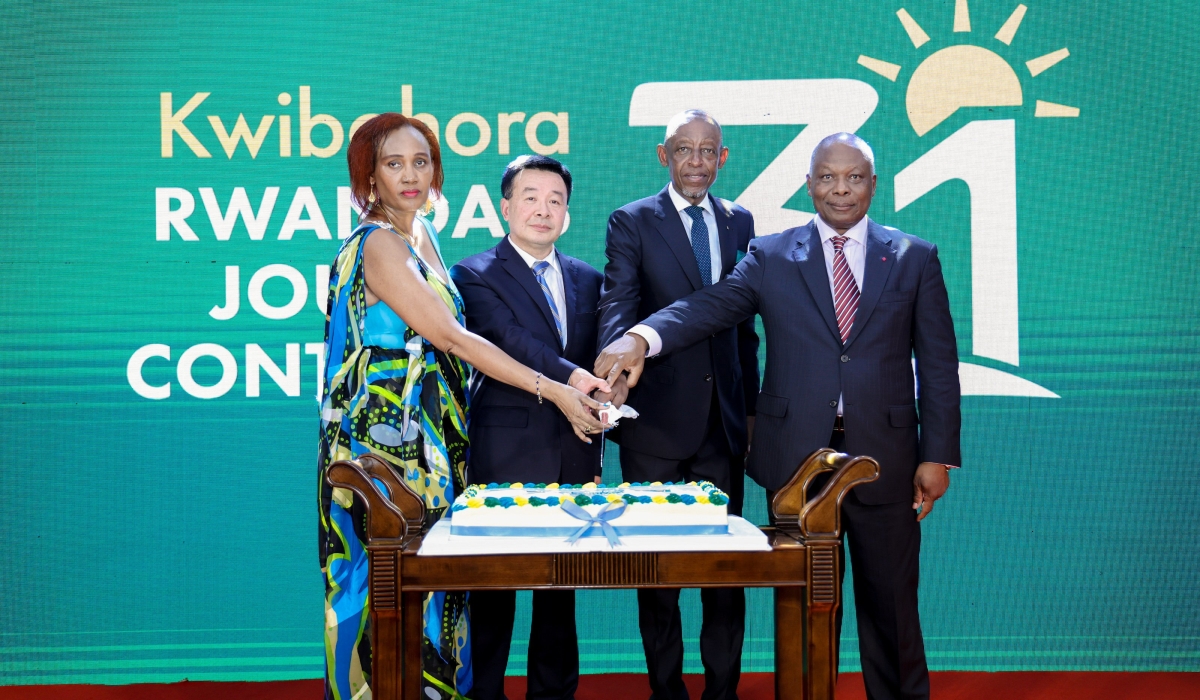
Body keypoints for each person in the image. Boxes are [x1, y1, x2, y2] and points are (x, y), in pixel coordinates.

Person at [596, 132, 962, 700]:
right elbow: (709, 308)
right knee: (806, 607)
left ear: (873, 183)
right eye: (827, 177)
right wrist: (643, 336)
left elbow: (938, 364)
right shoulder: (770, 255)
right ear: (809, 183)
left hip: (886, 458)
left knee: (890, 605)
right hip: (797, 462)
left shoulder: (914, 256)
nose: (841, 190)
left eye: (854, 177)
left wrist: (936, 454)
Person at [318, 114, 608, 700]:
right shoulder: (376, 242)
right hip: (383, 458)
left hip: (432, 447)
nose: (410, 175)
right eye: (393, 163)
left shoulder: (419, 235)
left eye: (421, 162)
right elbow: (452, 338)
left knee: (438, 602)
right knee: (383, 598)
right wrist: (554, 389)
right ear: (369, 175)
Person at [596, 110, 759, 700]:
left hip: (724, 424)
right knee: (657, 575)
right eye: (684, 150)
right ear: (663, 156)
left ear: (723, 157)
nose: (696, 161)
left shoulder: (741, 222)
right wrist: (615, 363)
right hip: (654, 423)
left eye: (707, 150)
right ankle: (666, 691)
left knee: (724, 575)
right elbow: (620, 301)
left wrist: (754, 413)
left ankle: (723, 692)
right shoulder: (633, 221)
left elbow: (743, 325)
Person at [450, 155, 603, 700]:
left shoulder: (589, 277)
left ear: (567, 213)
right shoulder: (474, 273)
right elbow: (506, 339)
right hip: (505, 452)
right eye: (530, 197)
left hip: (576, 449)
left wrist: (610, 385)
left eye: (555, 200)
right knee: (494, 594)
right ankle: (484, 691)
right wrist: (576, 377)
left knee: (559, 594)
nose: (543, 209)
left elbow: (602, 352)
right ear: (505, 206)